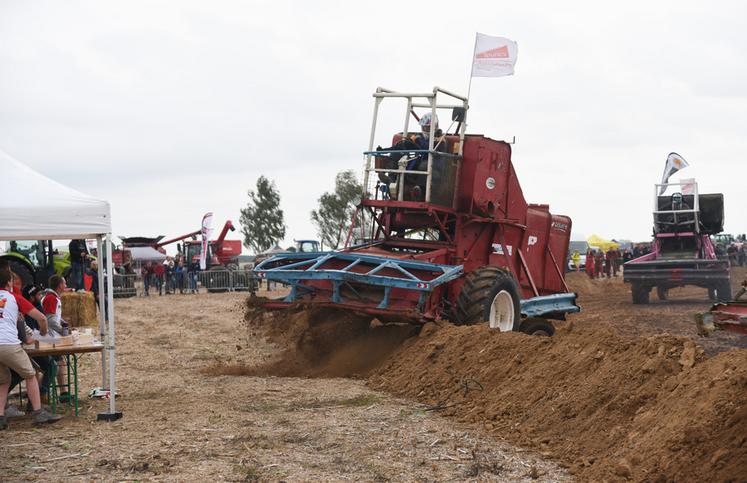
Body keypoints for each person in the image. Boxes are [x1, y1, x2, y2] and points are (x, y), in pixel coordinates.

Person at [0, 269, 61, 428]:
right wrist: (43, 332)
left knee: (3, 380)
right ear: (9, 283)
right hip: (7, 344)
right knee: (30, 374)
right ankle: (38, 412)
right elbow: (41, 318)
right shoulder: (14, 297)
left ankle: (0, 417)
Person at [41, 276, 70, 400]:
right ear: (59, 285)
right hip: (50, 337)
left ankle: (60, 392)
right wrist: (64, 331)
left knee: (59, 363)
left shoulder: (52, 297)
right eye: (64, 283)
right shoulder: (51, 298)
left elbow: (53, 317)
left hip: (51, 336)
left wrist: (63, 323)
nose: (66, 284)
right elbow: (51, 321)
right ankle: (45, 391)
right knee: (57, 364)